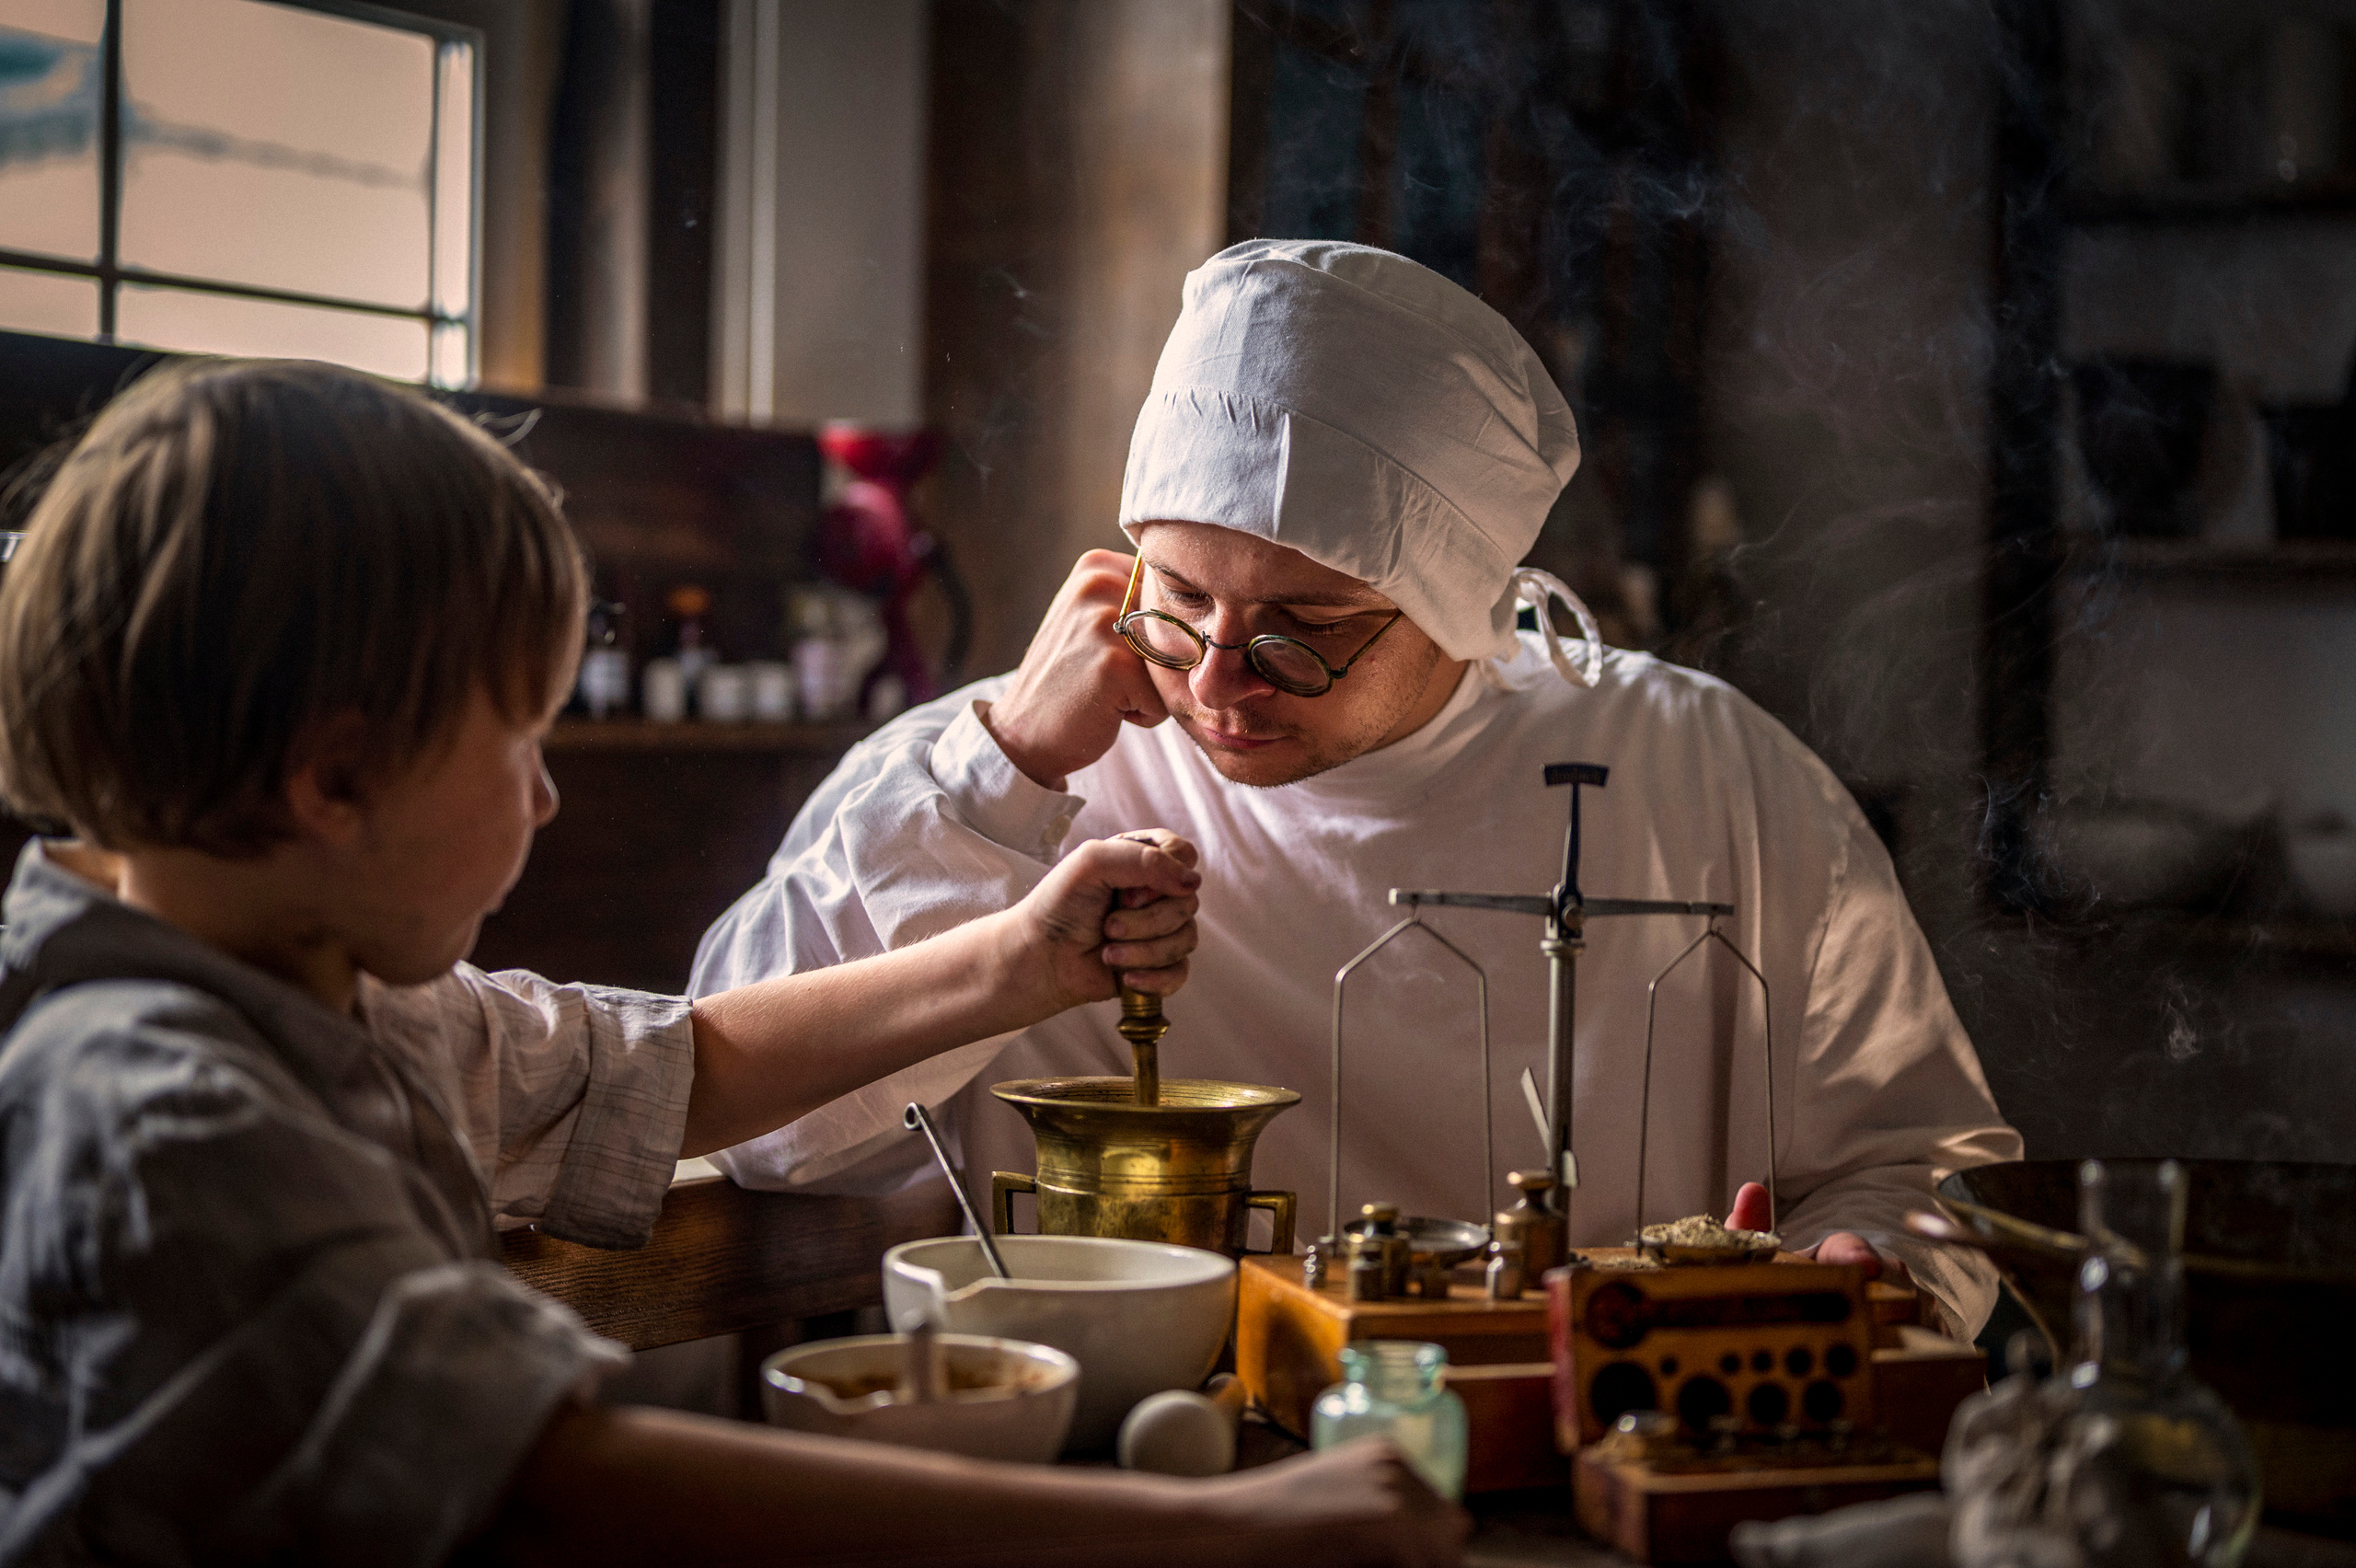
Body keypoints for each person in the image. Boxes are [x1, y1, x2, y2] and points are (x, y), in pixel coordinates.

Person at [0, 358, 1465, 1567]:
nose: (546, 798)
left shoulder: (315, 996)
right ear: (332, 782)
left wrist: (1020, 962)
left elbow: (668, 1073)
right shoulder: (161, 1118)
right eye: (521, 745)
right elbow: (542, 1485)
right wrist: (1223, 1536)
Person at [695, 239, 2023, 1339]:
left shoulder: (1707, 774)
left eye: (1304, 629)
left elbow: (1915, 1170)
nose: (1220, 679)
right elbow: (760, 1133)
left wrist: (1872, 1269)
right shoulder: (989, 770)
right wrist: (1001, 774)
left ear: (1463, 610)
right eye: (1180, 599)